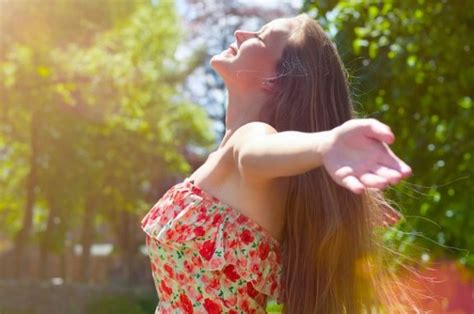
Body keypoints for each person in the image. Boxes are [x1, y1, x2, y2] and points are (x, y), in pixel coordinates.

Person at [141, 14, 417, 313]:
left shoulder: (252, 138)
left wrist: (324, 144)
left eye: (259, 37)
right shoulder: (230, 161)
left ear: (275, 81)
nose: (240, 32)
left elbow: (256, 153)